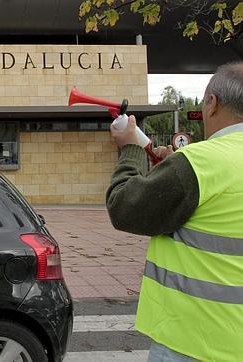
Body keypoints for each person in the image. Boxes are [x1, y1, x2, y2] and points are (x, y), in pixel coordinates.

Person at [106, 62, 243, 361]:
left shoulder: (201, 162)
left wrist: (129, 149)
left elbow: (125, 207)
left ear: (211, 103)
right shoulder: (195, 163)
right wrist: (169, 171)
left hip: (196, 342)